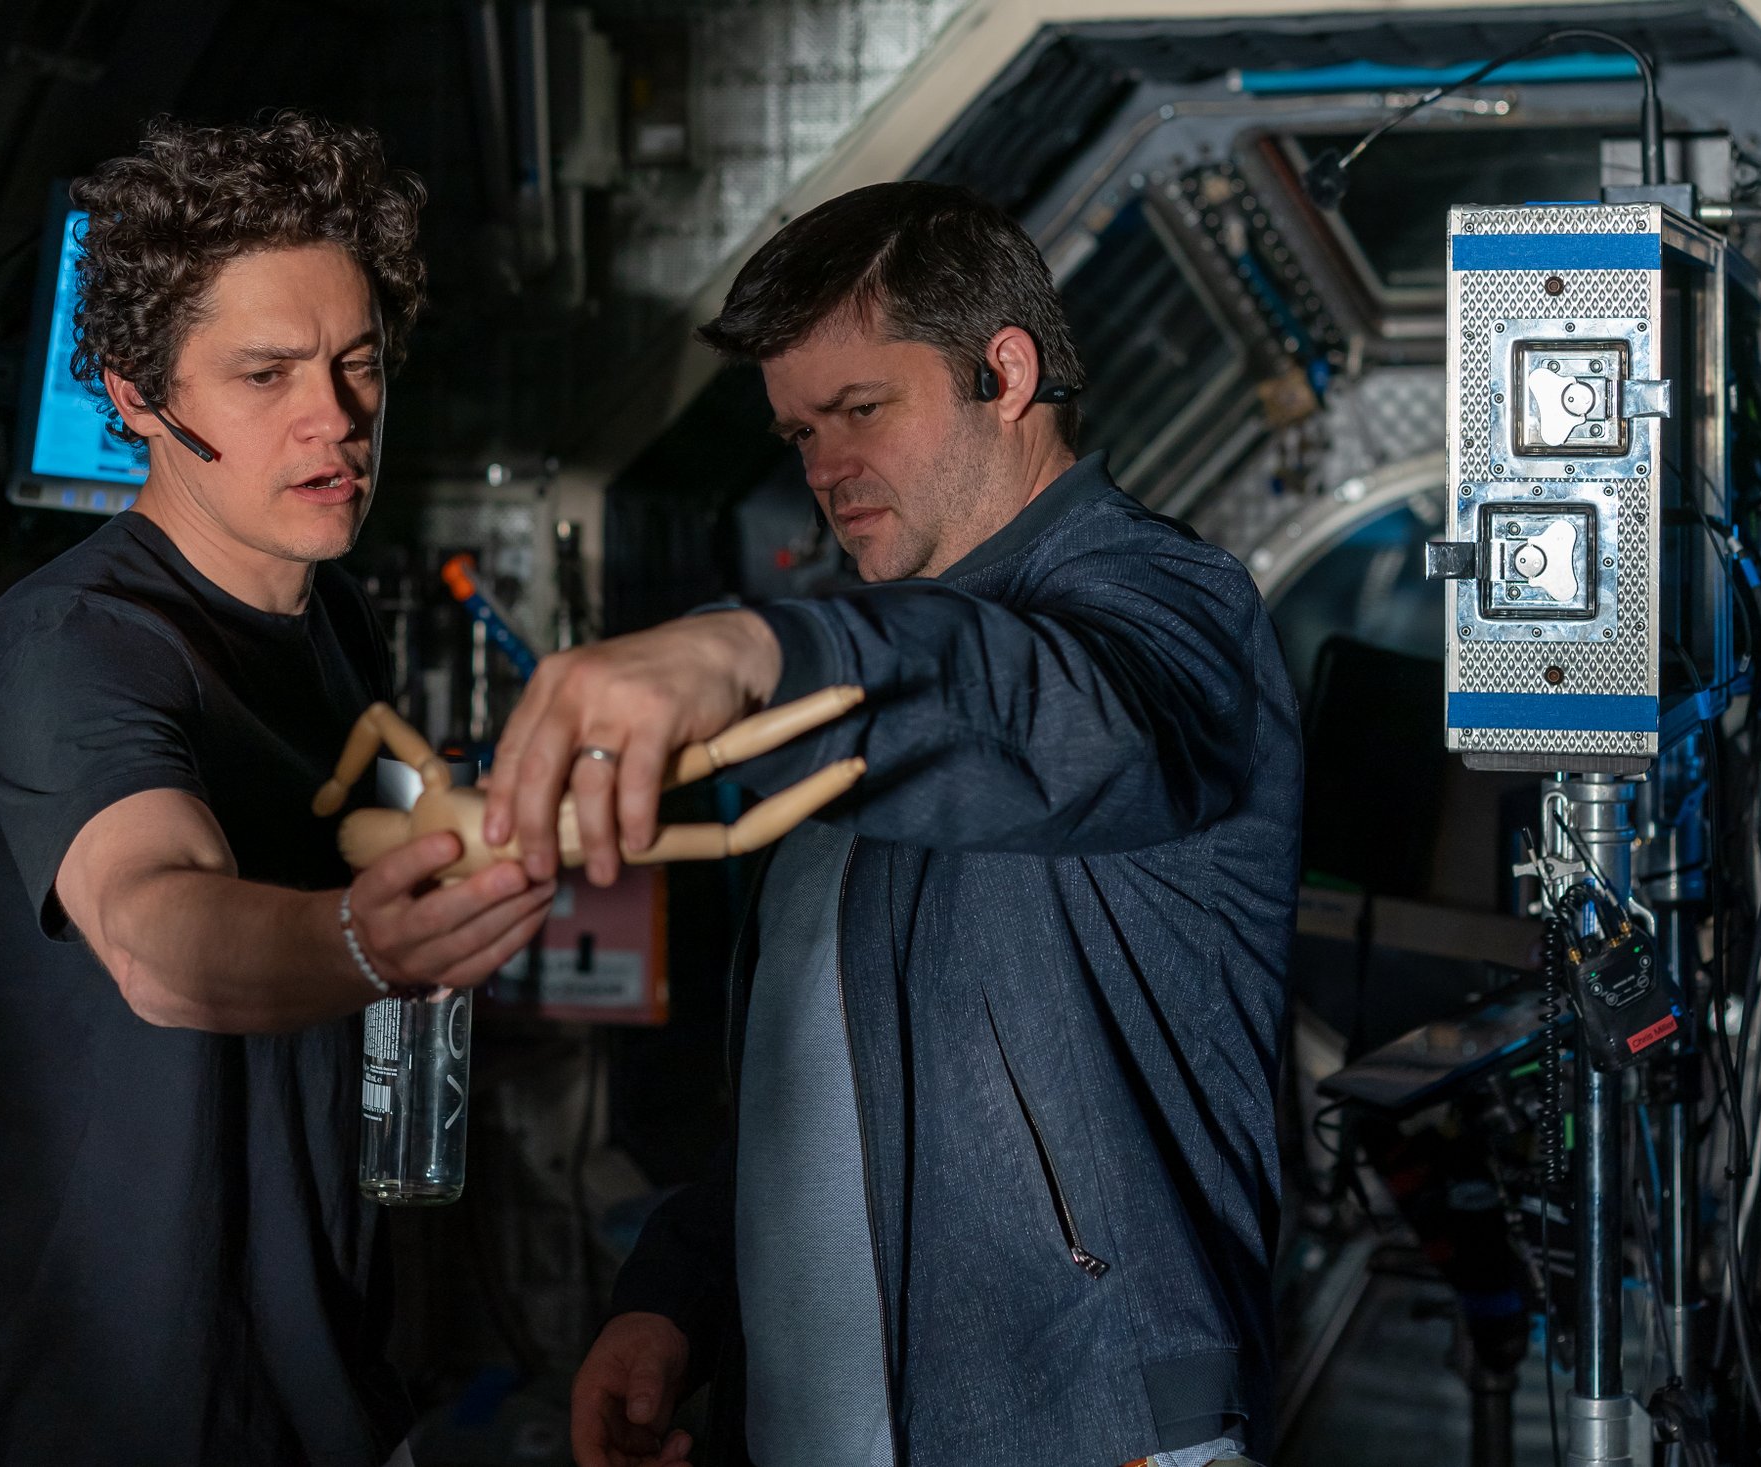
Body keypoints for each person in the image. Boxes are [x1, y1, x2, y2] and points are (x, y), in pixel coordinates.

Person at [489, 182, 1302, 1467]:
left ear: (1005, 373)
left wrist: (758, 650)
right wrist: (674, 1300)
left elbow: (1063, 722)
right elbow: (821, 1068)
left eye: (861, 410)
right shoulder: (864, 666)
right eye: (798, 433)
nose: (823, 471)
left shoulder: (1167, 606)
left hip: (1082, 1428)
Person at [0, 114, 554, 1467]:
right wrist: (368, 941)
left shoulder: (336, 625)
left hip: (334, 1385)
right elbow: (156, 923)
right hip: (140, 1415)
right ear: (138, 396)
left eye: (355, 363)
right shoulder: (75, 645)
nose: (333, 418)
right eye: (265, 374)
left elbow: (396, 828)